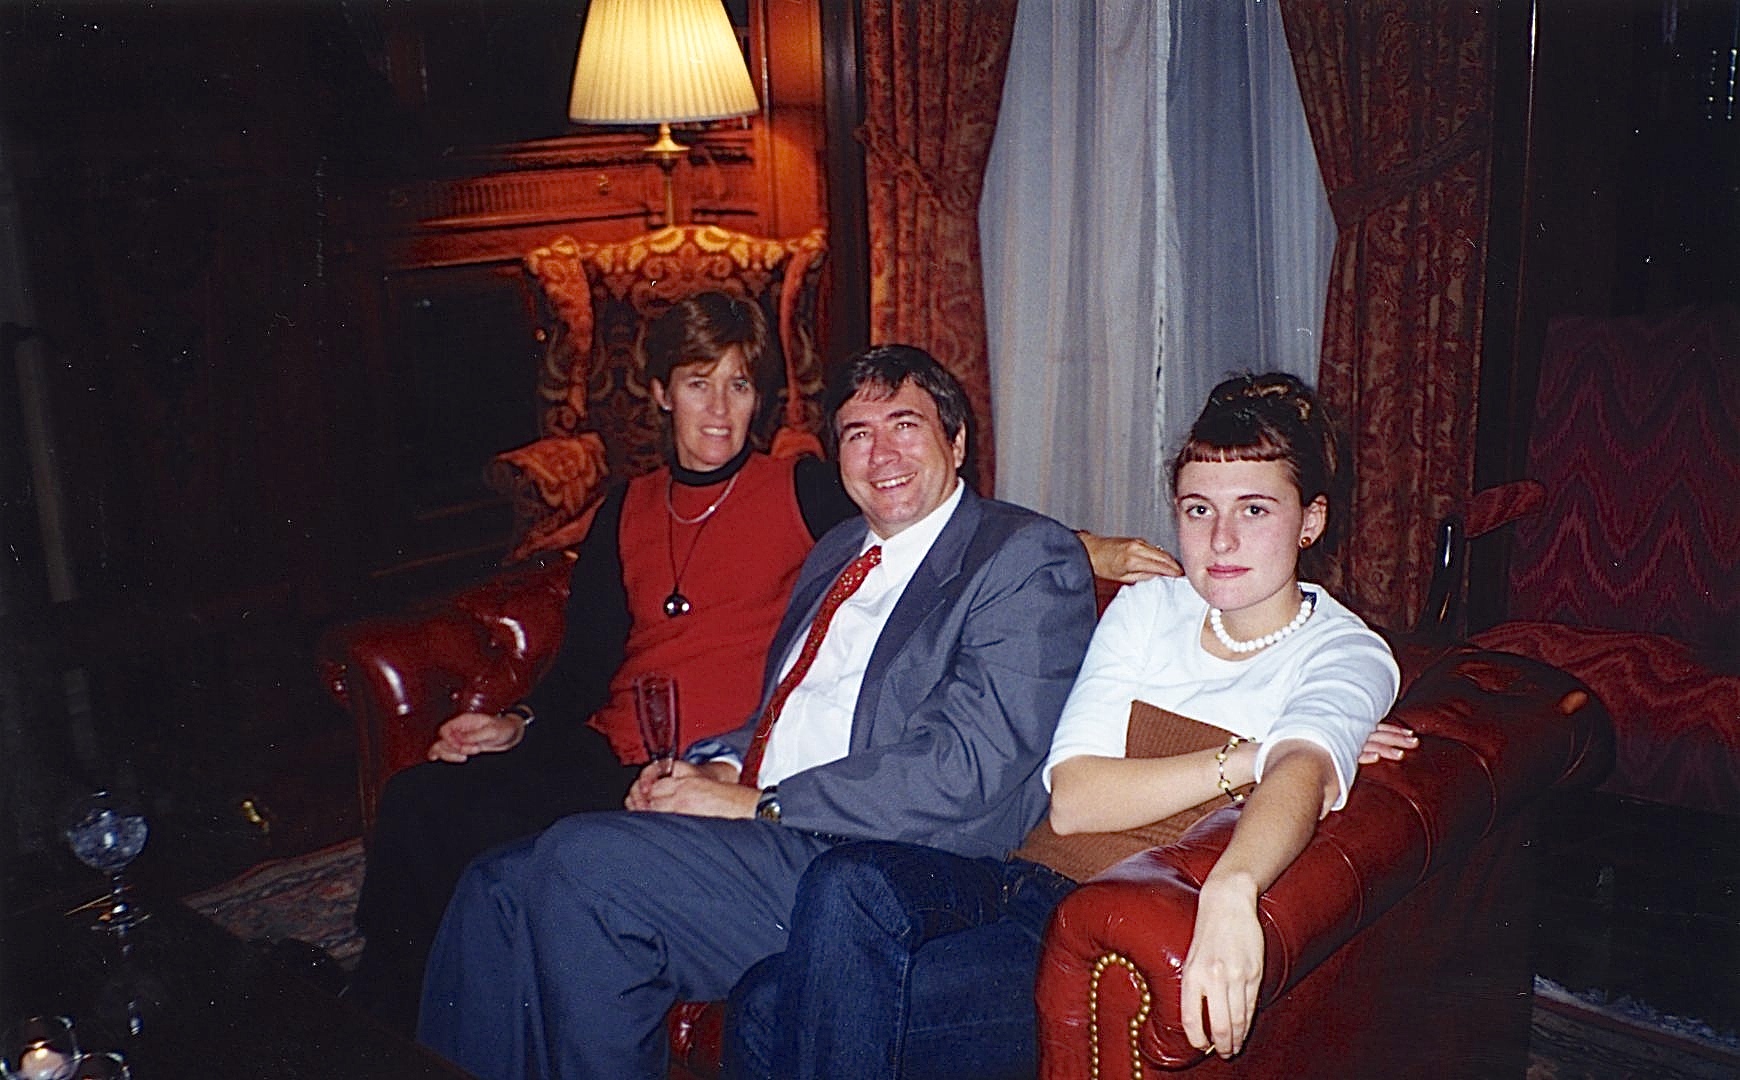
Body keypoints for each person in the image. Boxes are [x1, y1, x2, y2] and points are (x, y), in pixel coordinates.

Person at [415, 345, 1101, 1080]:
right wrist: (713, 763)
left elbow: (966, 766)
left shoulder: (1022, 557)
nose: (881, 453)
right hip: (786, 835)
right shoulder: (838, 550)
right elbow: (792, 712)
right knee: (496, 887)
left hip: (890, 864)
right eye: (857, 434)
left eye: (906, 425)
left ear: (957, 441)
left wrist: (760, 805)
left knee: (584, 863)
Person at [724, 372, 1414, 1078]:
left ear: (1311, 519)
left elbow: (1300, 771)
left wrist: (1234, 887)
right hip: (1006, 877)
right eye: (1198, 508)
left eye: (1256, 509)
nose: (1222, 538)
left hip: (1085, 933)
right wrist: (1249, 755)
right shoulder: (1152, 609)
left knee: (765, 1005)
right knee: (848, 881)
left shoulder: (1345, 650)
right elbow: (1077, 798)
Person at [347, 291, 859, 1032]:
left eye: (739, 384)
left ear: (761, 400)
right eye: (696, 381)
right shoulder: (628, 507)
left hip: (704, 768)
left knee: (499, 845)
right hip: (605, 749)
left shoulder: (803, 490)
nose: (718, 408)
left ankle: (406, 1021)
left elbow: (909, 549)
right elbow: (587, 659)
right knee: (419, 800)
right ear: (659, 392)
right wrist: (517, 724)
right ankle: (387, 1009)